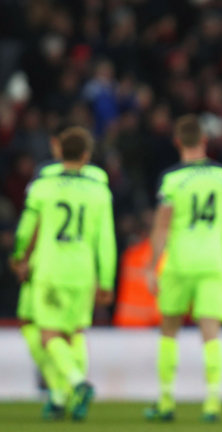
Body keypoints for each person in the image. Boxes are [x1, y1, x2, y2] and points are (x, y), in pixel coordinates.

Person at [10, 126, 116, 421]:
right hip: (83, 271)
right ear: (86, 155)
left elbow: (25, 230)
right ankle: (63, 396)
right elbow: (106, 240)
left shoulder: (43, 186)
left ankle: (75, 384)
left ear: (57, 151)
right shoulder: (99, 190)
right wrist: (106, 278)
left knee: (48, 334)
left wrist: (19, 257)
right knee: (75, 333)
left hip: (49, 268)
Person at [144, 114, 222, 422]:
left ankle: (166, 401)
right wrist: (215, 241)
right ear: (205, 141)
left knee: (169, 330)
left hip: (179, 262)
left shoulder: (171, 179)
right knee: (211, 333)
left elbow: (162, 226)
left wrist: (150, 266)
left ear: (177, 142)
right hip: (213, 261)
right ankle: (212, 403)